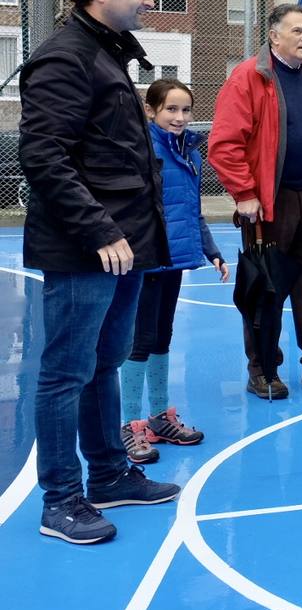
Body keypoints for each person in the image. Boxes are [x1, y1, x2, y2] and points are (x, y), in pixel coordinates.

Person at [20, 0, 180, 544]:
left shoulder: (109, 55)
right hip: (87, 249)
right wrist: (100, 230)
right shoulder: (64, 58)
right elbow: (43, 155)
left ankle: (110, 474)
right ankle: (61, 500)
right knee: (65, 372)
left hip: (127, 247)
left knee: (104, 365)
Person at [210, 4, 302, 397]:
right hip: (267, 202)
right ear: (274, 36)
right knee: (266, 286)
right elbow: (225, 144)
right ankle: (262, 368)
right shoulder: (249, 77)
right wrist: (245, 194)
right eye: (297, 31)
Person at [120, 80, 228, 466]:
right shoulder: (143, 150)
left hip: (176, 259)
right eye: (171, 110)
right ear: (151, 111)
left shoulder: (191, 155)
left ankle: (159, 416)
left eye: (185, 110)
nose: (180, 117)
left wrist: (211, 250)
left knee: (163, 336)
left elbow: (192, 210)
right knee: (140, 339)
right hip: (146, 259)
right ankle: (130, 423)